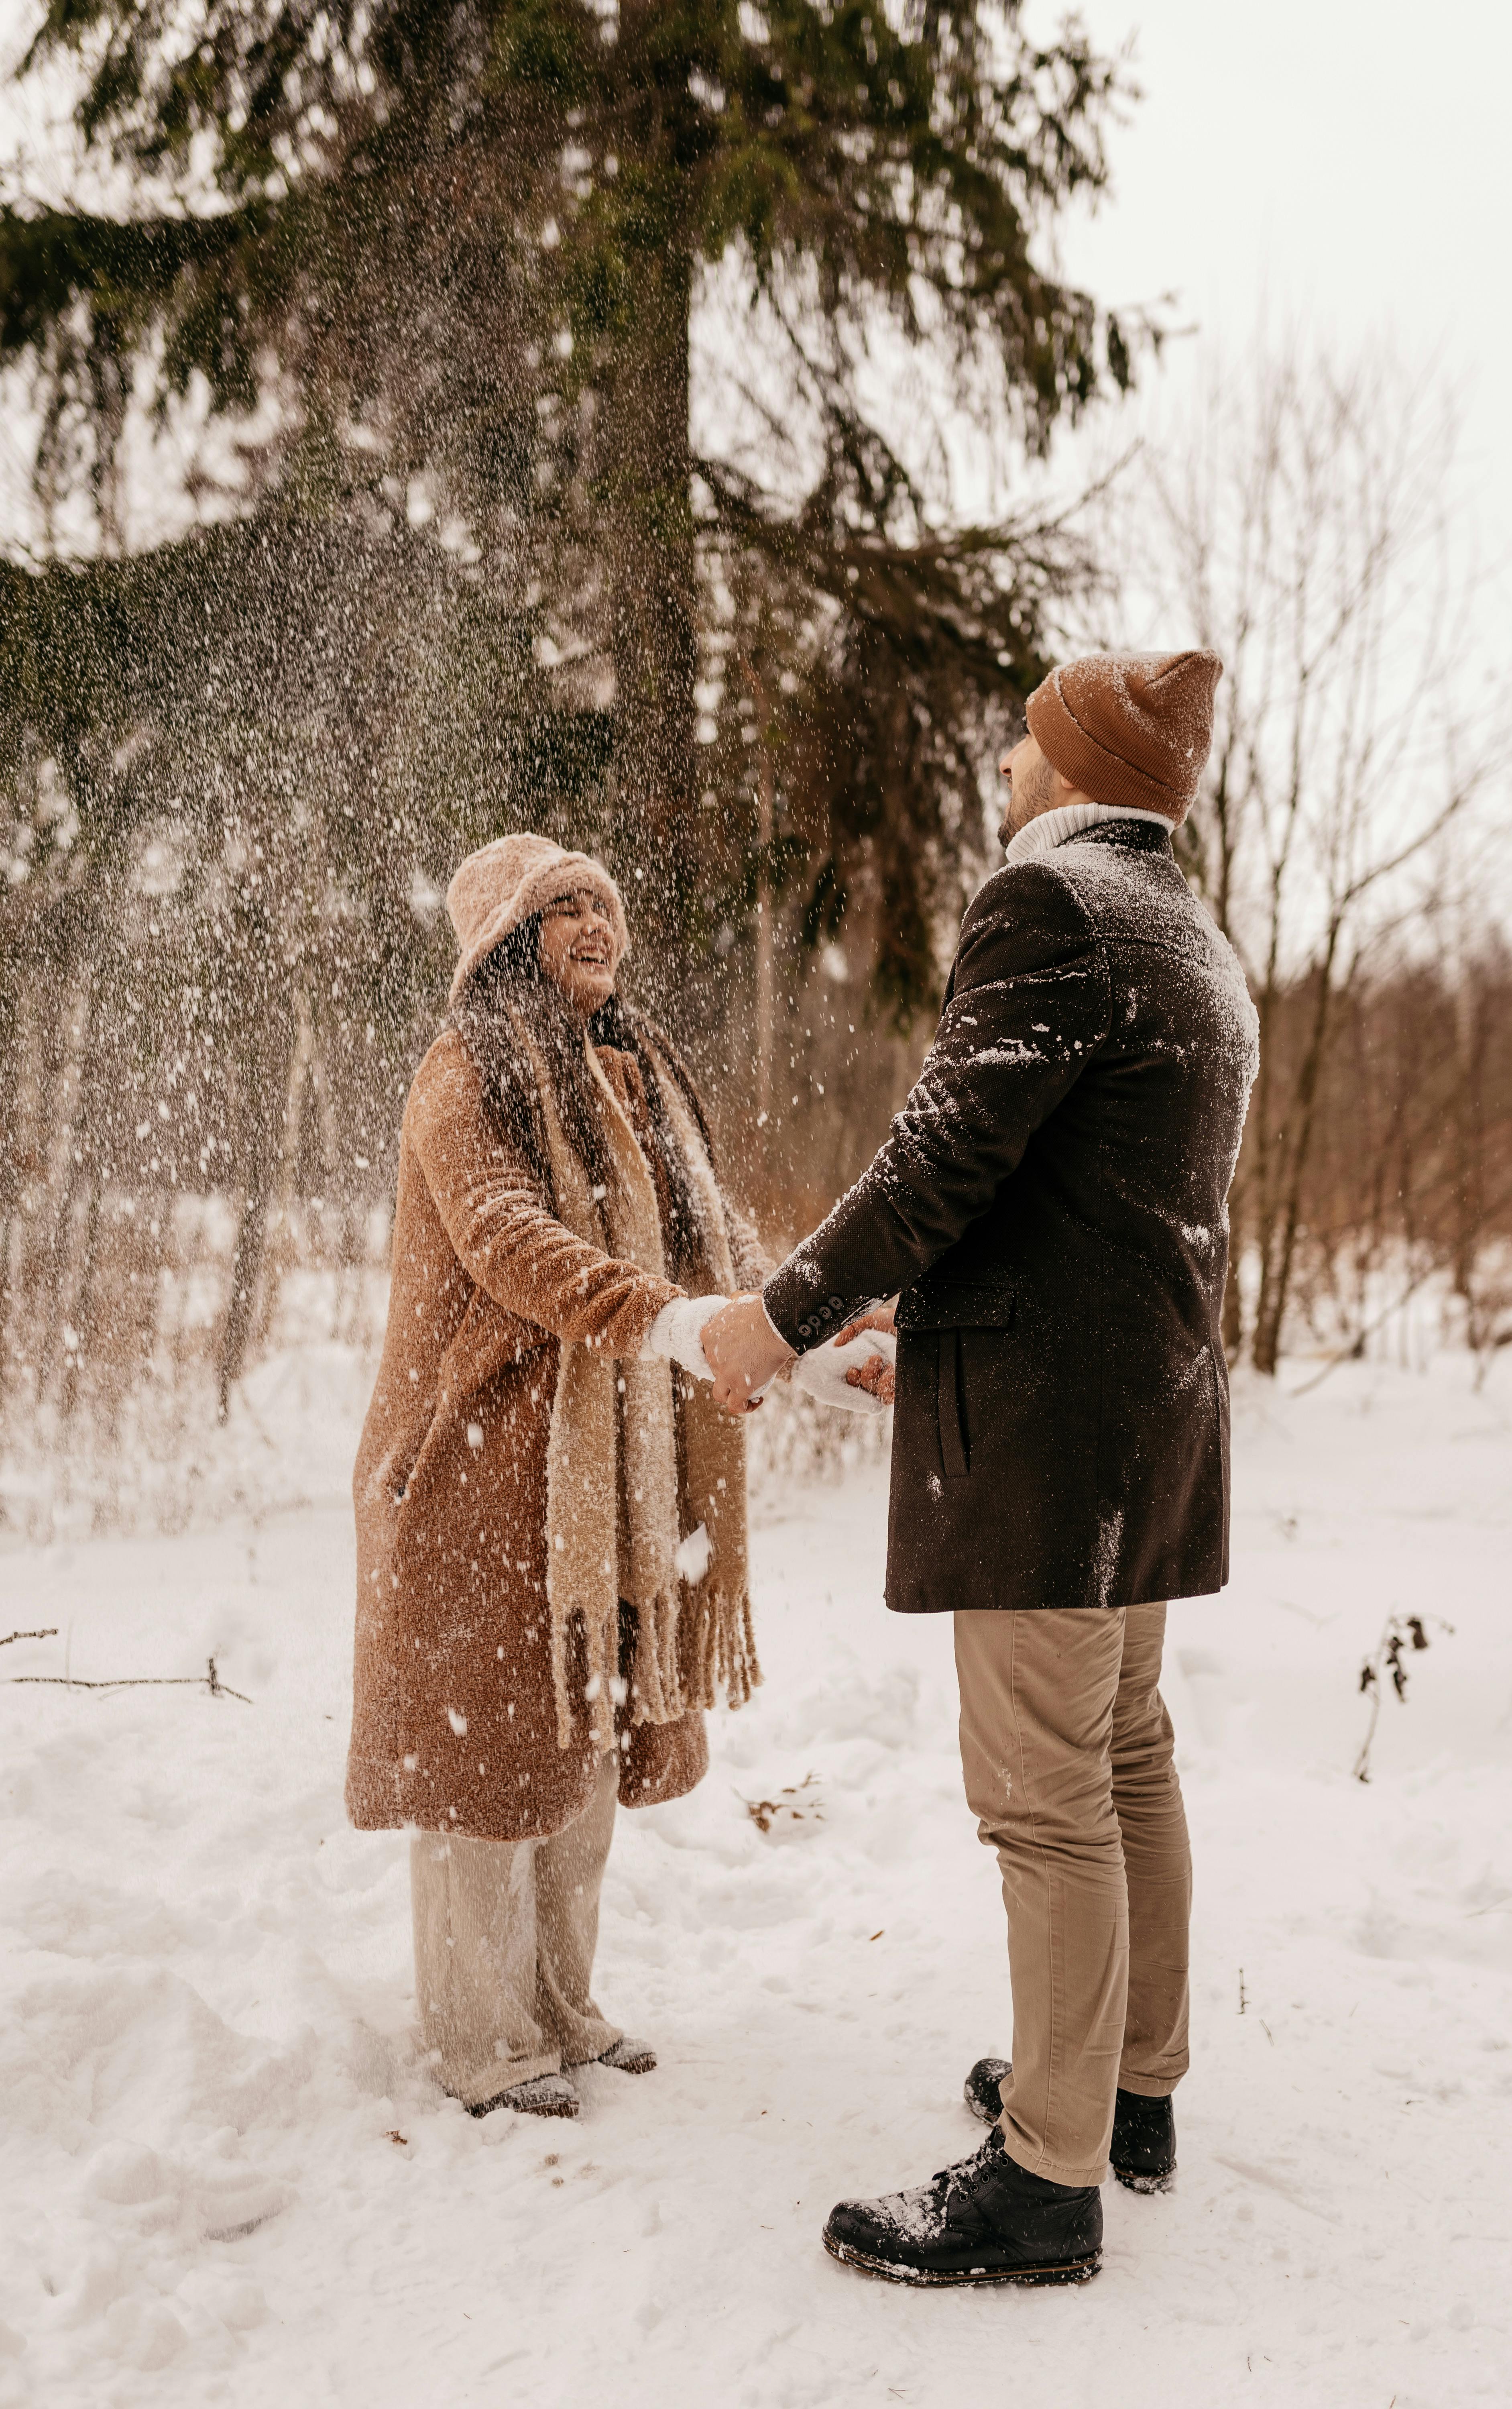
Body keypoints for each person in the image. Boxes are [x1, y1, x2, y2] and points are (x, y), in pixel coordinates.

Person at [703, 650, 1259, 2283]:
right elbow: (1078, 1201)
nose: (1006, 761)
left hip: (1054, 1449)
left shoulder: (1051, 906)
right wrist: (931, 1340)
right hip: (1144, 1416)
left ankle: (1045, 2178)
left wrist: (781, 1320)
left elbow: (944, 1155)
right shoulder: (1195, 941)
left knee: (1045, 1801)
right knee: (1127, 1757)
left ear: (1076, 761)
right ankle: (1127, 2090)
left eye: (1025, 734)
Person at [346, 833, 763, 2120]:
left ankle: (563, 2005)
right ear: (505, 943)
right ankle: (482, 2040)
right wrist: (677, 1323)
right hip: (471, 1467)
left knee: (584, 1748)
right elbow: (510, 1243)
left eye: (604, 901)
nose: (596, 923)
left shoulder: (636, 1083)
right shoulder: (461, 1075)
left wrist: (807, 1325)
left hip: (608, 1472)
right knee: (485, 1767)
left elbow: (724, 1250)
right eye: (562, 906)